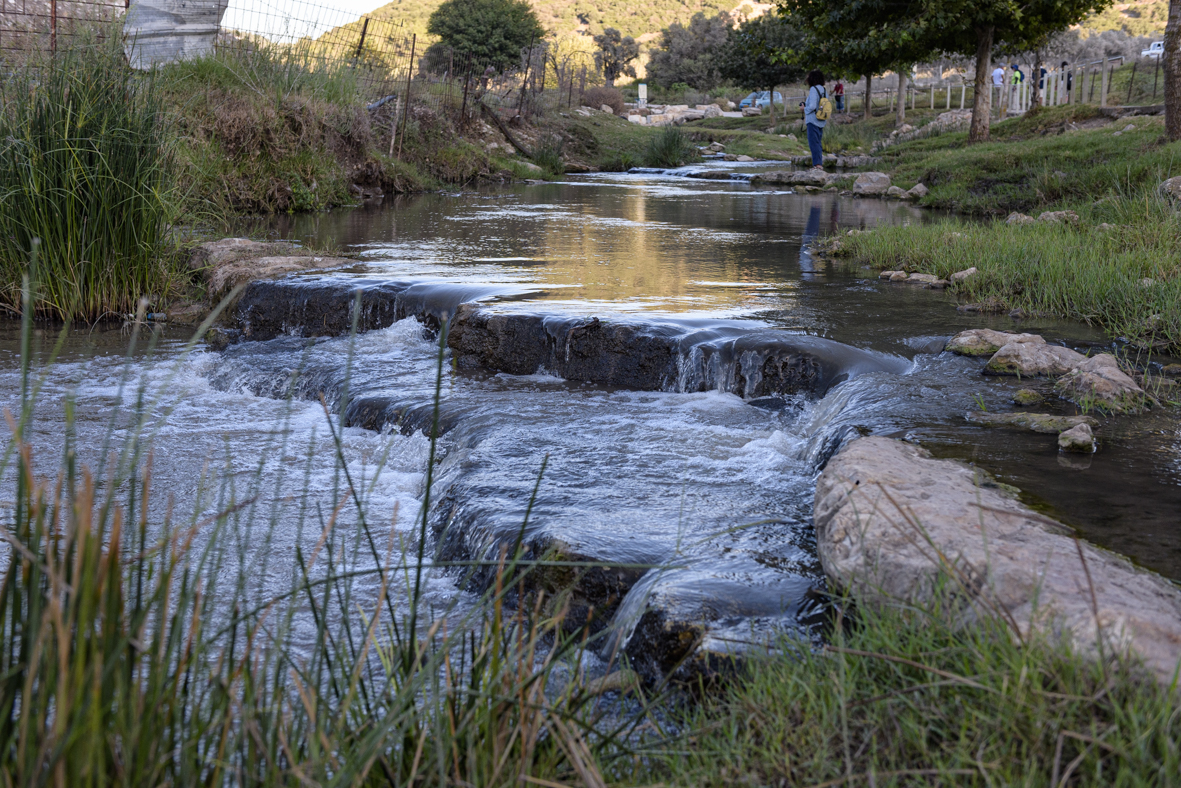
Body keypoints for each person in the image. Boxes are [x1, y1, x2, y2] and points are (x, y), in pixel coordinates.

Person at [801, 70, 827, 169]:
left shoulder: (813, 89)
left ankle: (817, 165)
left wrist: (804, 109)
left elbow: (812, 106)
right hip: (821, 119)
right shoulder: (824, 90)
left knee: (813, 143)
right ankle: (819, 163)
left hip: (812, 119)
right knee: (818, 142)